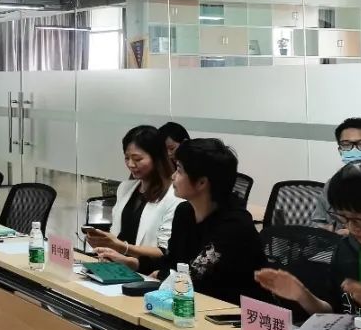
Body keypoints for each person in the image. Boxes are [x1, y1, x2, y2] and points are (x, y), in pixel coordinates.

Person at [99, 138, 267, 304]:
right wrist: (132, 263)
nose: (173, 176)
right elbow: (171, 261)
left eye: (179, 170)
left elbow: (194, 276)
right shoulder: (184, 211)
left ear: (201, 182)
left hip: (234, 312)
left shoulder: (234, 225)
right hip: (193, 303)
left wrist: (161, 274)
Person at [257, 161, 361, 330]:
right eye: (344, 218)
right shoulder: (346, 249)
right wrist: (302, 295)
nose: (352, 228)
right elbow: (334, 315)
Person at [86, 126, 181, 261]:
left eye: (137, 159)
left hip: (147, 270)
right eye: (127, 158)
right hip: (116, 265)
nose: (131, 164)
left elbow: (165, 251)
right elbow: (117, 234)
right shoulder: (125, 188)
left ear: (157, 158)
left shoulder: (174, 196)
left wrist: (122, 247)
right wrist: (105, 243)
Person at [311, 117, 361, 229]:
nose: (354, 150)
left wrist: (352, 233)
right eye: (346, 145)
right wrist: (327, 230)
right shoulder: (332, 184)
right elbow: (316, 222)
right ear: (340, 150)